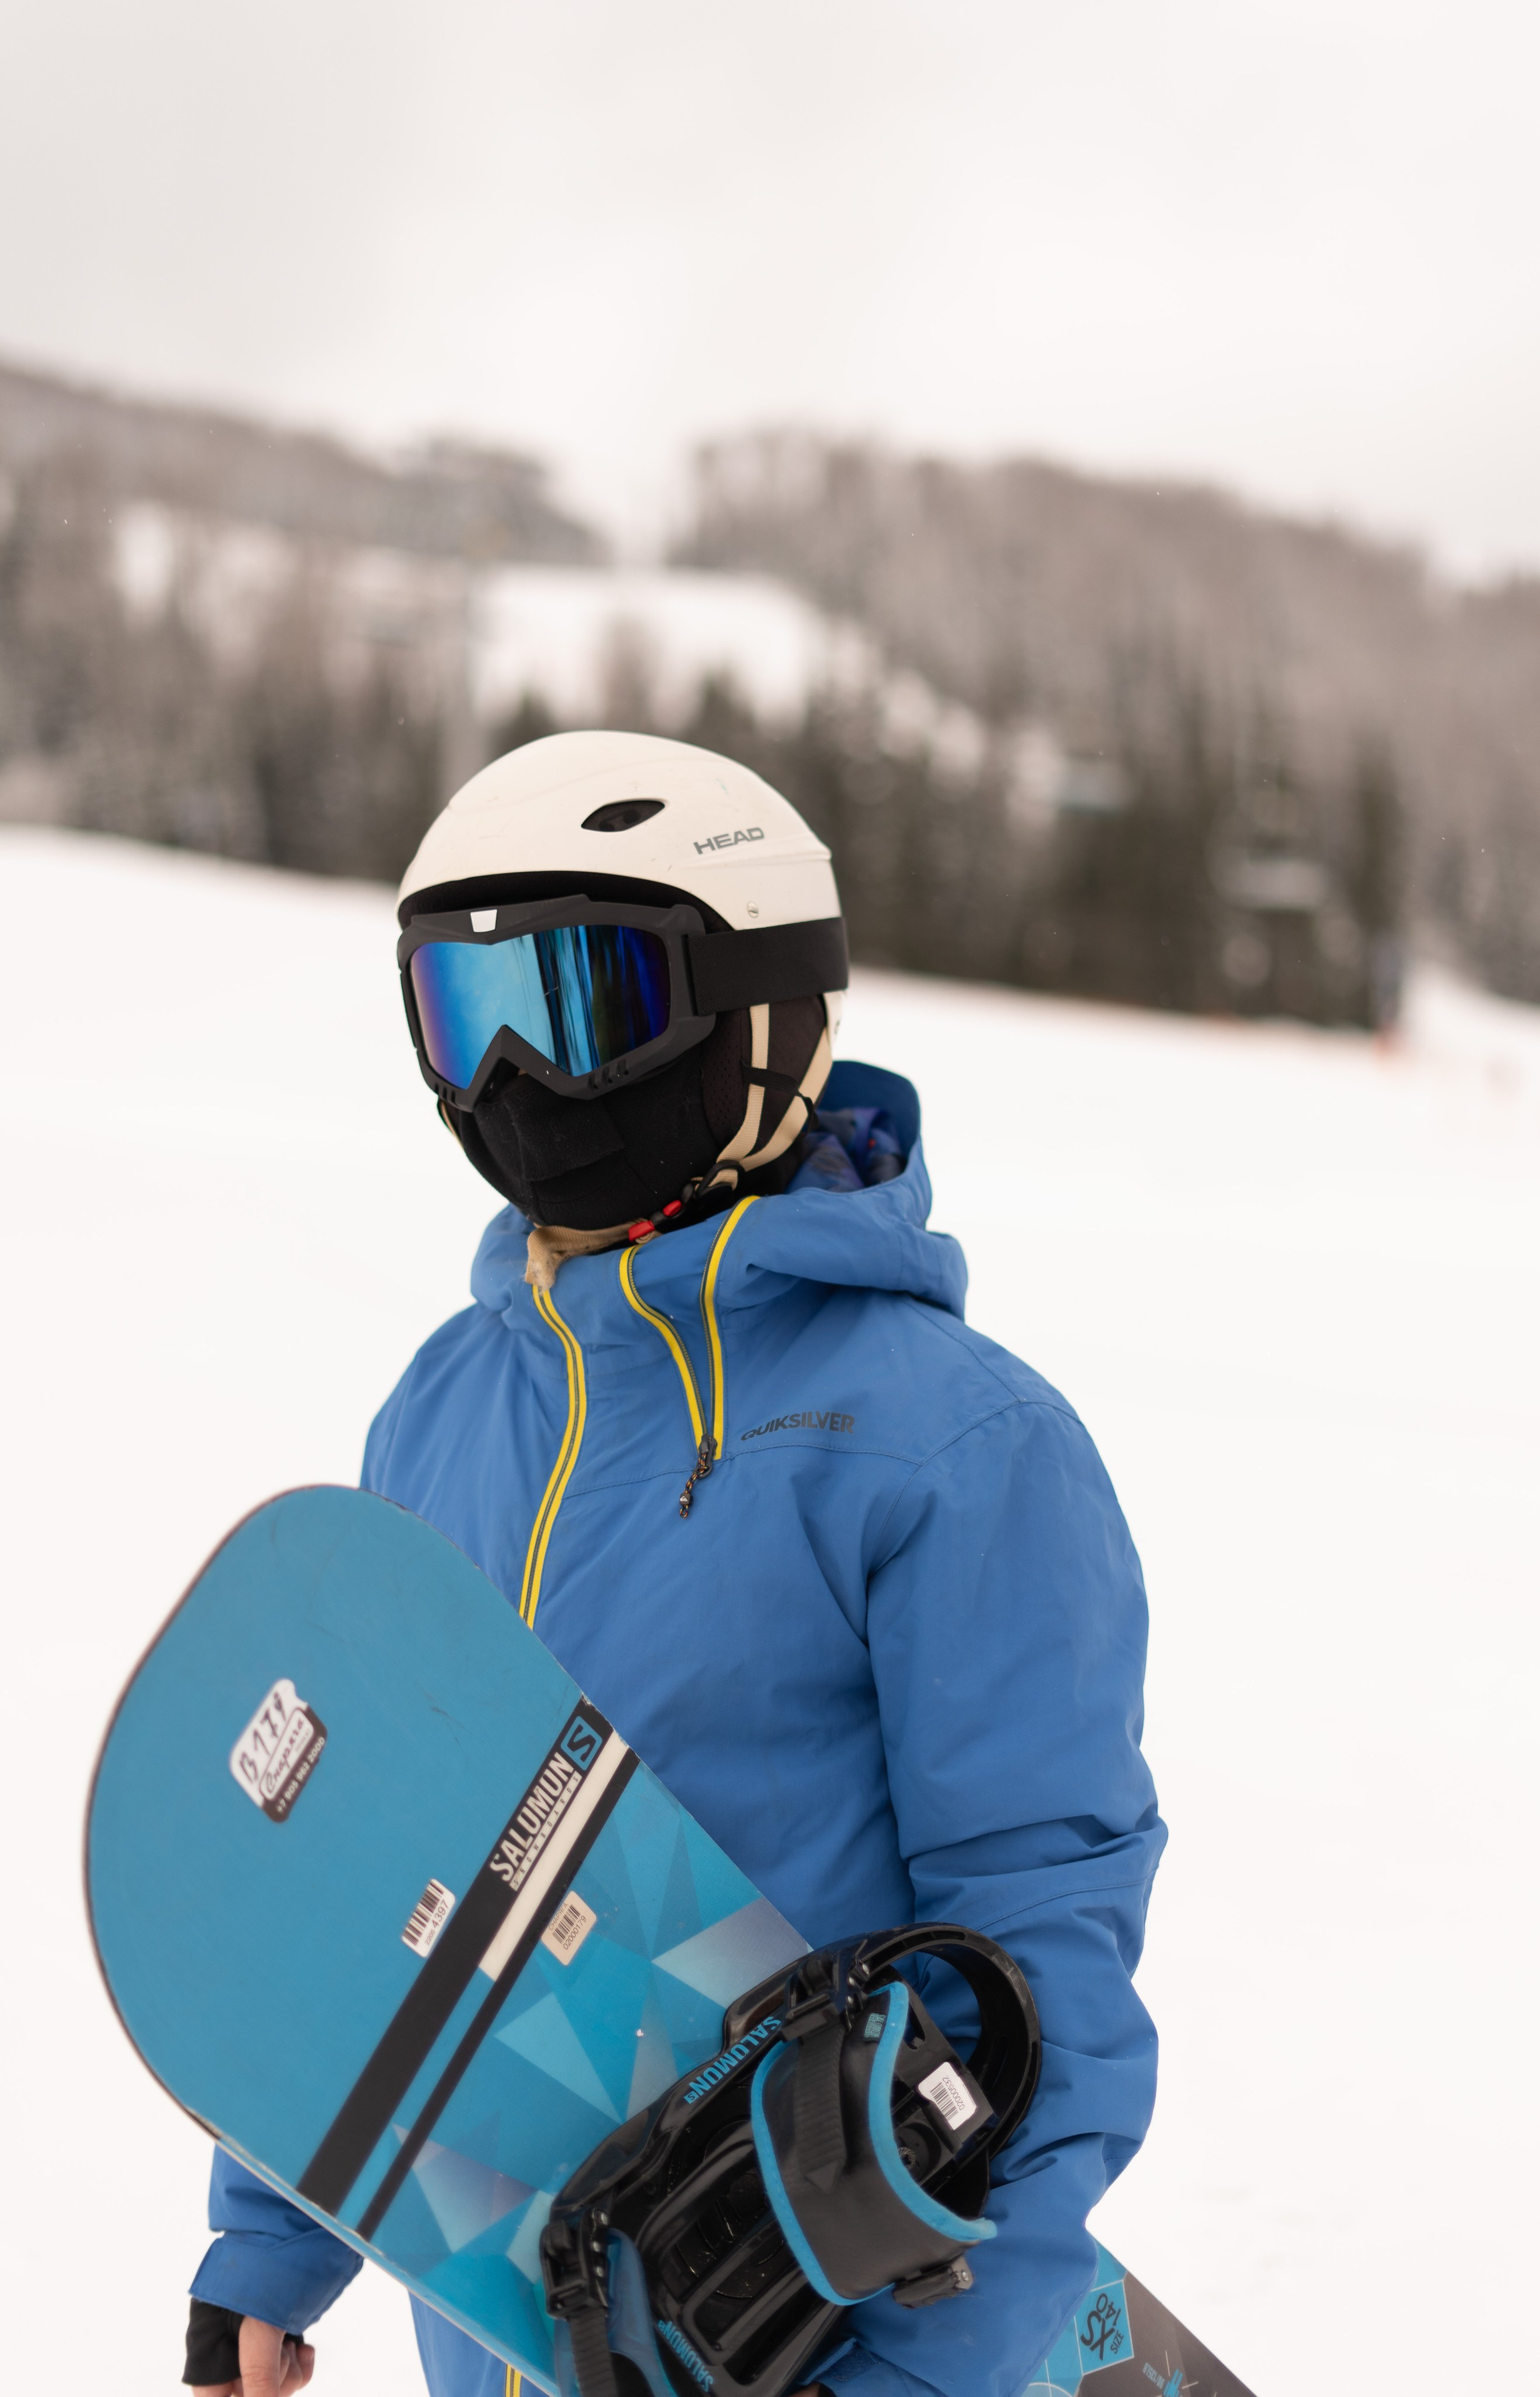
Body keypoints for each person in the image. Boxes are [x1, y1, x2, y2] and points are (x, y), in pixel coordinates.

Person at [184, 730, 1165, 2397]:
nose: (513, 1086)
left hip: (836, 2334)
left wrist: (938, 2379)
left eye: (583, 1010)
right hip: (516, 2335)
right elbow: (385, 1886)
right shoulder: (444, 1407)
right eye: (463, 1019)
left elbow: (1038, 1967)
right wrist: (273, 2251)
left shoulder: (952, 1445)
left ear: (764, 1011)